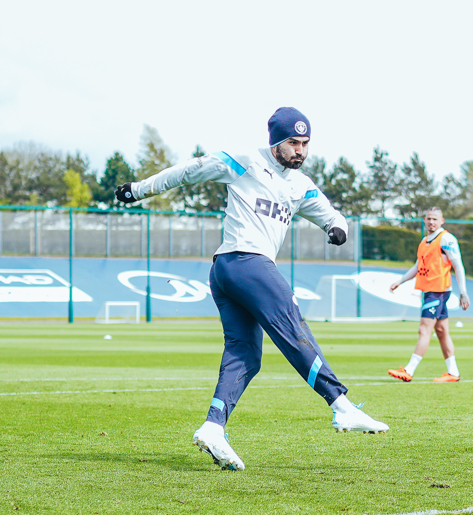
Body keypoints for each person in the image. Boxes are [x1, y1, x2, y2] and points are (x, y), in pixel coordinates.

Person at [115, 107, 388, 471]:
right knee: (292, 326)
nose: (300, 150)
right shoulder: (243, 162)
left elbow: (332, 214)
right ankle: (340, 405)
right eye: (293, 142)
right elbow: (189, 171)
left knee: (246, 354)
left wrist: (337, 229)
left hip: (227, 272)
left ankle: (213, 426)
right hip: (246, 262)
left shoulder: (299, 184)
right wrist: (138, 190)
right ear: (276, 140)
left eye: (305, 144)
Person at [387, 207, 470, 383]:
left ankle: (409, 370)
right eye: (429, 218)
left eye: (435, 219)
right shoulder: (424, 241)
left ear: (442, 221)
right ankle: (453, 372)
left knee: (424, 329)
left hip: (438, 292)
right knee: (441, 331)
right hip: (429, 291)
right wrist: (400, 281)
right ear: (424, 220)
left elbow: (458, 266)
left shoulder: (446, 239)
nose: (431, 222)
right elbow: (418, 267)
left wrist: (463, 292)